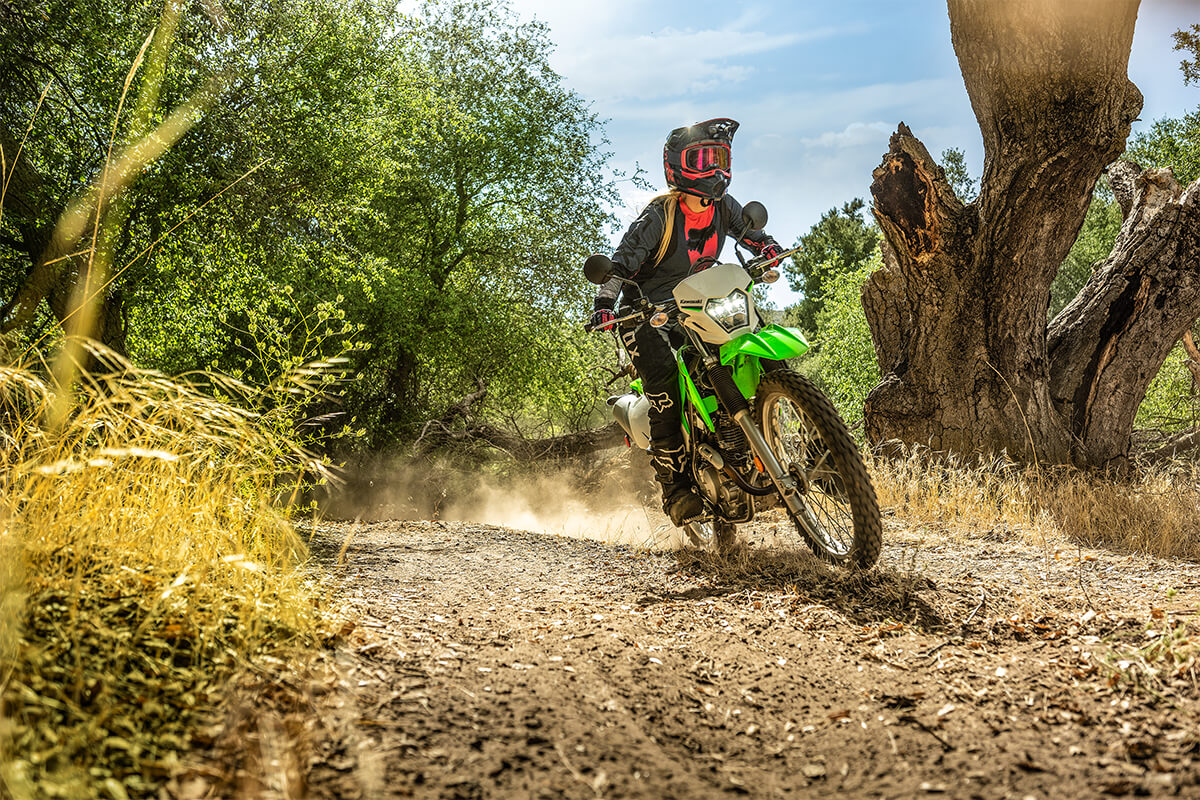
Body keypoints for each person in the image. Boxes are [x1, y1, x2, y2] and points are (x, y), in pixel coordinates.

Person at [590, 118, 783, 526]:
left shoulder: (723, 207)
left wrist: (769, 248)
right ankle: (675, 489)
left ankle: (816, 446)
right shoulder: (658, 216)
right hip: (648, 315)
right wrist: (605, 303)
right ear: (677, 166)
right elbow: (621, 265)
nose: (714, 169)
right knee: (665, 391)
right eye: (702, 159)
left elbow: (752, 236)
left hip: (702, 303)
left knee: (760, 341)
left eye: (720, 159)